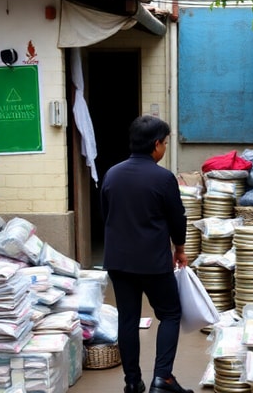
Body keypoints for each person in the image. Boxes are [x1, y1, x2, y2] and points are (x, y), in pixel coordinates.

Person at [100, 115, 193, 393]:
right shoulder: (163, 178)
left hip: (118, 260)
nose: (164, 148)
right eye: (164, 143)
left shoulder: (112, 174)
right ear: (156, 145)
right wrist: (179, 247)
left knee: (127, 319)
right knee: (170, 314)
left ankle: (132, 382)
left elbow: (106, 214)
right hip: (153, 260)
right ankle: (162, 378)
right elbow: (177, 218)